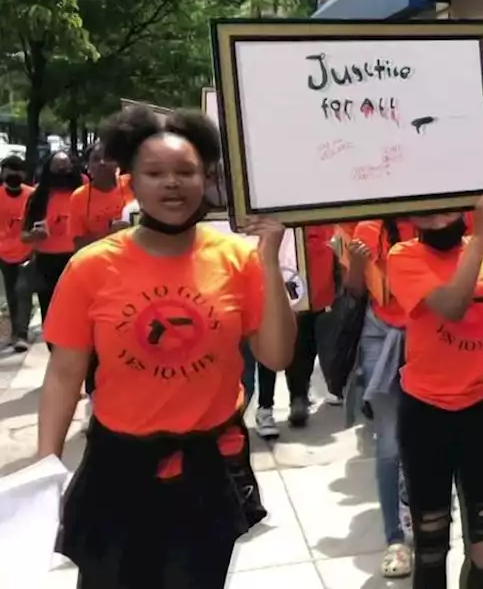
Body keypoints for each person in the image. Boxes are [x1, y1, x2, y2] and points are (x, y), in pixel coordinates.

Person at [35, 106, 296, 589]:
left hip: (208, 466)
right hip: (117, 467)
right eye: (155, 173)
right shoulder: (91, 267)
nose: (172, 184)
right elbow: (64, 372)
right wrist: (47, 461)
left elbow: (276, 357)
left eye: (186, 172)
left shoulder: (238, 260)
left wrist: (268, 262)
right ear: (130, 180)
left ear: (207, 179)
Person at [386, 194, 483, 589]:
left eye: (445, 209)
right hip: (426, 413)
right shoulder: (404, 257)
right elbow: (451, 305)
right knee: (431, 544)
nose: (437, 222)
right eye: (425, 213)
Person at [347, 216, 417, 576]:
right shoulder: (368, 228)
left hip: (434, 335)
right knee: (388, 442)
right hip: (382, 335)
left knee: (429, 439)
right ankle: (396, 539)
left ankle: (427, 517)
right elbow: (356, 291)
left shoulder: (447, 216)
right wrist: (357, 264)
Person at [254, 224, 337, 432]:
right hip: (273, 269)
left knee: (303, 340)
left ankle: (298, 397)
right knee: (270, 338)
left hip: (307, 280)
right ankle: (265, 407)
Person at [22, 151, 84, 325]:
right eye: (57, 166)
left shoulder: (83, 192)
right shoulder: (38, 196)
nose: (62, 169)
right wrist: (34, 235)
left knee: (76, 310)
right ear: (49, 170)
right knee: (49, 312)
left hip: (76, 259)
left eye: (65, 166)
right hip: (46, 262)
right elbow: (24, 236)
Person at [68, 140, 132, 249]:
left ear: (118, 163)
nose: (102, 162)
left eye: (108, 158)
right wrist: (109, 234)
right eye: (96, 159)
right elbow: (78, 243)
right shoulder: (79, 197)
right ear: (87, 166)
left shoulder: (133, 184)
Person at [0, 155, 33, 351]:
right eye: (9, 169)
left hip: (28, 252)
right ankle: (15, 331)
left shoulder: (32, 195)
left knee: (24, 290)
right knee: (12, 293)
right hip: (3, 253)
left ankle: (21, 334)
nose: (13, 174)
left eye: (17, 169)